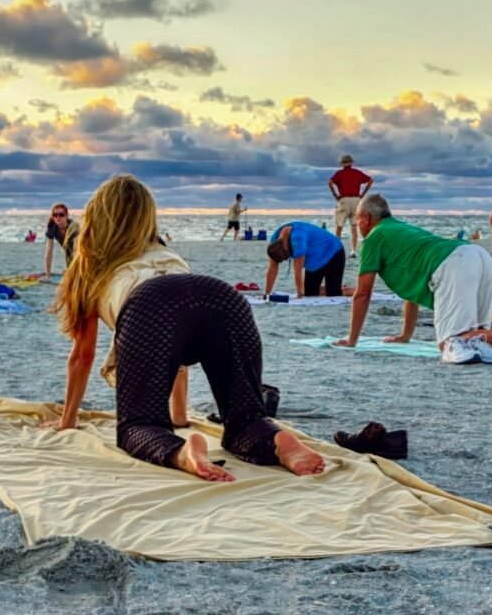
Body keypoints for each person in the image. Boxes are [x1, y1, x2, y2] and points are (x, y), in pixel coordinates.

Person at [44, 174, 324, 482]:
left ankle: (182, 452)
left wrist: (67, 422)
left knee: (138, 427)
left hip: (150, 306)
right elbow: (178, 336)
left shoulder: (88, 265)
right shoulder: (165, 252)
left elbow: (83, 356)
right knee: (245, 419)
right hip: (221, 296)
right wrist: (180, 416)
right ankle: (276, 441)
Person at [333, 194, 492, 363]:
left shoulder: (374, 237)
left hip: (455, 264)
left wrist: (352, 339)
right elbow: (410, 293)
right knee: (475, 339)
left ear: (365, 218)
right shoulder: (400, 230)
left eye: (358, 219)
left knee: (451, 343)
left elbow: (362, 294)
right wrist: (405, 335)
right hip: (477, 256)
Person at [264, 221, 353, 298]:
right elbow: (272, 268)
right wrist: (267, 293)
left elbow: (297, 271)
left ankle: (360, 290)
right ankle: (336, 285)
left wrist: (300, 294)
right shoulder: (275, 241)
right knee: (310, 293)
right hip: (315, 261)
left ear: (286, 247)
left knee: (333, 293)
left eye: (287, 256)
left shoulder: (298, 239)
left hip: (333, 252)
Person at [328, 154, 374, 257]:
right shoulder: (357, 173)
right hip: (356, 200)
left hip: (344, 199)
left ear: (343, 164)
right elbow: (370, 180)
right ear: (351, 163)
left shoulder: (339, 174)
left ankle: (336, 250)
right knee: (354, 226)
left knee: (339, 225)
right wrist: (363, 194)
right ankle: (353, 251)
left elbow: (330, 182)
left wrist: (335, 195)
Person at [44, 203, 80, 277]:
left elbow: (77, 250)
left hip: (83, 249)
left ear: (67, 216)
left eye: (61, 214)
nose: (58, 217)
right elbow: (49, 253)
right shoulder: (52, 228)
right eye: (55, 215)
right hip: (68, 251)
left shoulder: (74, 226)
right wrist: (48, 275)